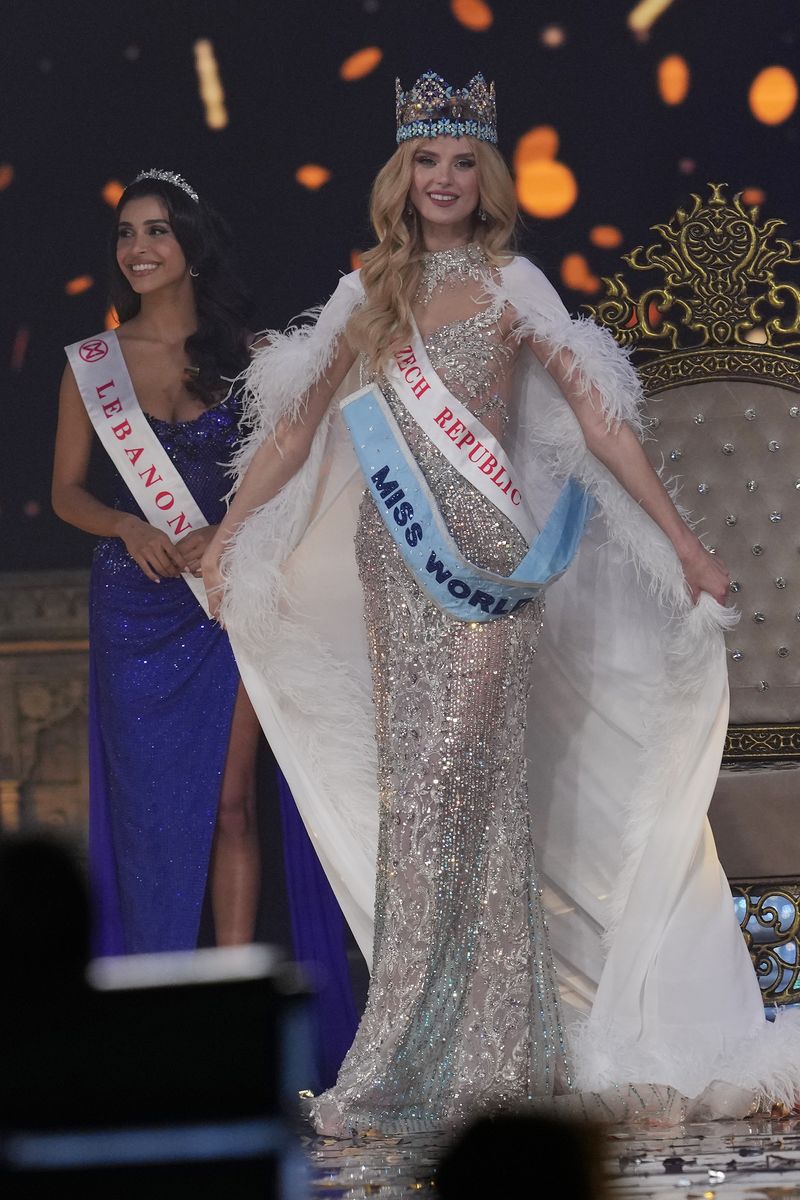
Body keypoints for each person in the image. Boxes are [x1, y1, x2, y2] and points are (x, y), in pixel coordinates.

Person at [202, 73, 800, 1132]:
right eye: (425, 161)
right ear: (401, 177)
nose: (441, 179)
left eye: (460, 161)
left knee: (466, 791)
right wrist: (229, 532)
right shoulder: (365, 293)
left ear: (486, 177)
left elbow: (602, 424)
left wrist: (683, 542)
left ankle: (494, 1051)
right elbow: (293, 431)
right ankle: (413, 1053)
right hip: (398, 569)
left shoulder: (513, 284)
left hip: (485, 574)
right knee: (417, 803)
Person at [52, 170, 263, 954]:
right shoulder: (92, 363)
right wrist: (126, 527)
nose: (138, 248)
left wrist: (232, 531)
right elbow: (67, 492)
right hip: (134, 600)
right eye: (126, 234)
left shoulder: (252, 355)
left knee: (232, 801)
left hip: (225, 597)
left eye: (157, 230)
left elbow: (293, 475)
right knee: (147, 814)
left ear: (192, 244)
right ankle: (155, 999)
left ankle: (237, 1000)